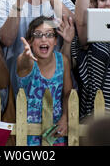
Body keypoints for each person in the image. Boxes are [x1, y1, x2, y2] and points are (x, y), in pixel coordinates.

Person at [17, 16, 72, 146]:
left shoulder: (62, 60)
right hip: (28, 133)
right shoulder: (25, 60)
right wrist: (26, 55)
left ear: (55, 41)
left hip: (56, 132)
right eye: (38, 35)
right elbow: (24, 64)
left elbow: (68, 94)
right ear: (30, 41)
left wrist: (65, 117)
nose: (43, 39)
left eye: (49, 35)